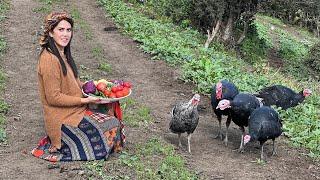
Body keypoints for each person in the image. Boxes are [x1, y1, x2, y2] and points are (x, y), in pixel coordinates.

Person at [32, 12, 125, 162]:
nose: (65, 34)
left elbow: (73, 85)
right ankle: (61, 142)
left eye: (68, 30)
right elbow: (53, 97)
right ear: (50, 32)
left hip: (75, 110)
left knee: (110, 108)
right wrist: (85, 101)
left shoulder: (62, 53)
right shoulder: (49, 60)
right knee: (110, 126)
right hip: (62, 118)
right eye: (60, 30)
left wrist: (96, 86)